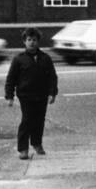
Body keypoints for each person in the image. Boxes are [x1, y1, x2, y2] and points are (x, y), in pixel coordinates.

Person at [5, 28, 58, 159]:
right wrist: (9, 96)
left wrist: (52, 93)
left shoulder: (45, 58)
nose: (32, 43)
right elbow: (11, 79)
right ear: (24, 41)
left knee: (39, 121)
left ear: (38, 41)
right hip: (26, 96)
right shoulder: (19, 59)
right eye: (29, 40)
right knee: (27, 120)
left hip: (41, 95)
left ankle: (37, 143)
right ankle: (23, 149)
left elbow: (52, 77)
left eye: (34, 40)